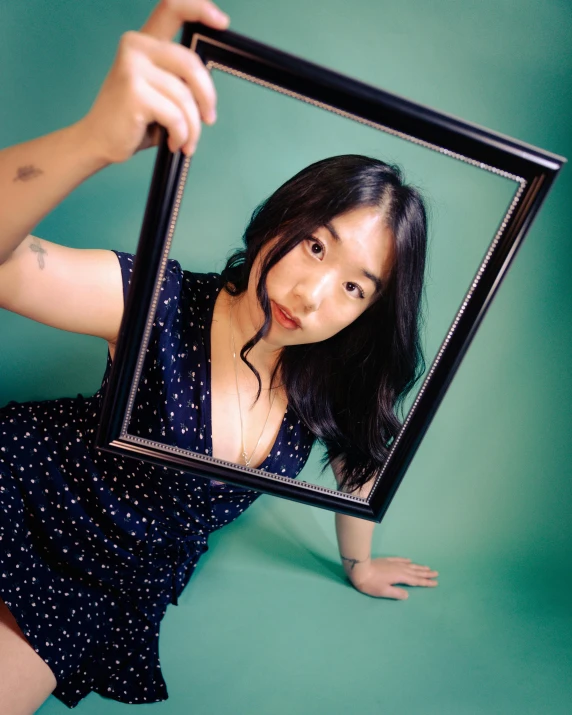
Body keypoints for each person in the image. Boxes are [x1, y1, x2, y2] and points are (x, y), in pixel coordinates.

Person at [0, 1, 438, 712]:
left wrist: (357, 562)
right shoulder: (157, 302)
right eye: (317, 244)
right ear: (284, 218)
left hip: (103, 582)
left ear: (368, 310)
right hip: (22, 480)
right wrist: (91, 142)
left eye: (355, 286)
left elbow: (359, 475)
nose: (313, 291)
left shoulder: (329, 386)